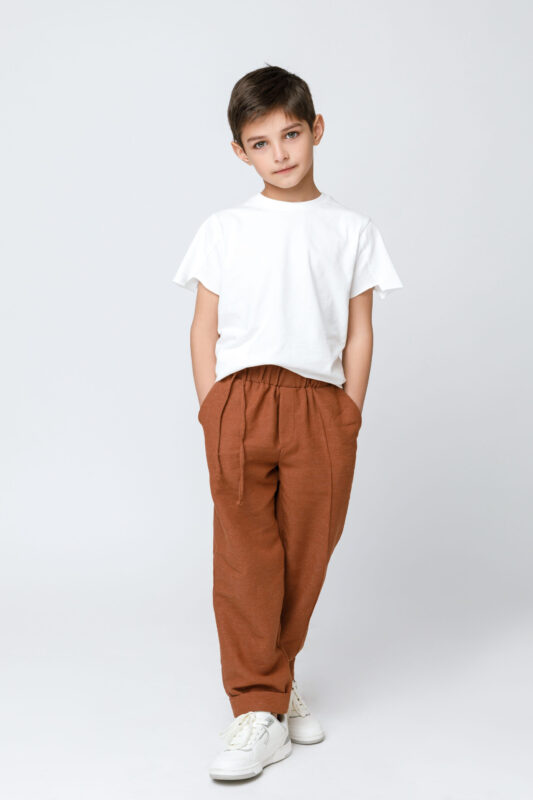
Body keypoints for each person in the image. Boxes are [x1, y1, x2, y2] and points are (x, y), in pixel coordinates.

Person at [172, 64, 404, 781]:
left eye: (291, 134)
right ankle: (257, 709)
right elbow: (203, 326)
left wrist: (349, 411)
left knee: (307, 553)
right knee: (246, 556)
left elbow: (359, 329)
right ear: (239, 151)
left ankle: (276, 680)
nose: (279, 153)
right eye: (260, 142)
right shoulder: (224, 228)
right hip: (241, 401)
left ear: (316, 130)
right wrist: (212, 407)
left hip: (318, 405)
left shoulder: (351, 229)